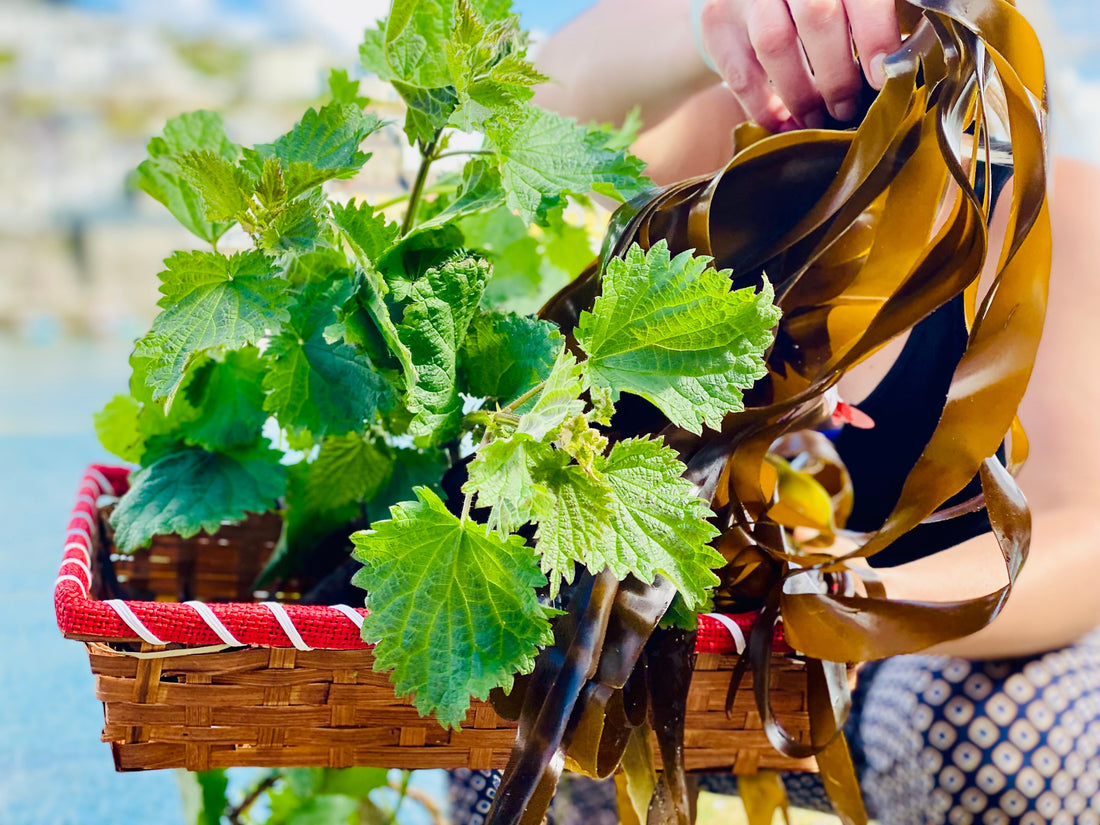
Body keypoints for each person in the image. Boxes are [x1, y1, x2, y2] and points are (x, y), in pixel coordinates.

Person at [452, 2, 1100, 823]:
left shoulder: (1054, 213)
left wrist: (856, 594)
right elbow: (537, 109)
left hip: (927, 666)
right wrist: (709, 24)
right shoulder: (706, 158)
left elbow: (1085, 540)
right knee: (534, 668)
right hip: (693, 641)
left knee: (1003, 729)